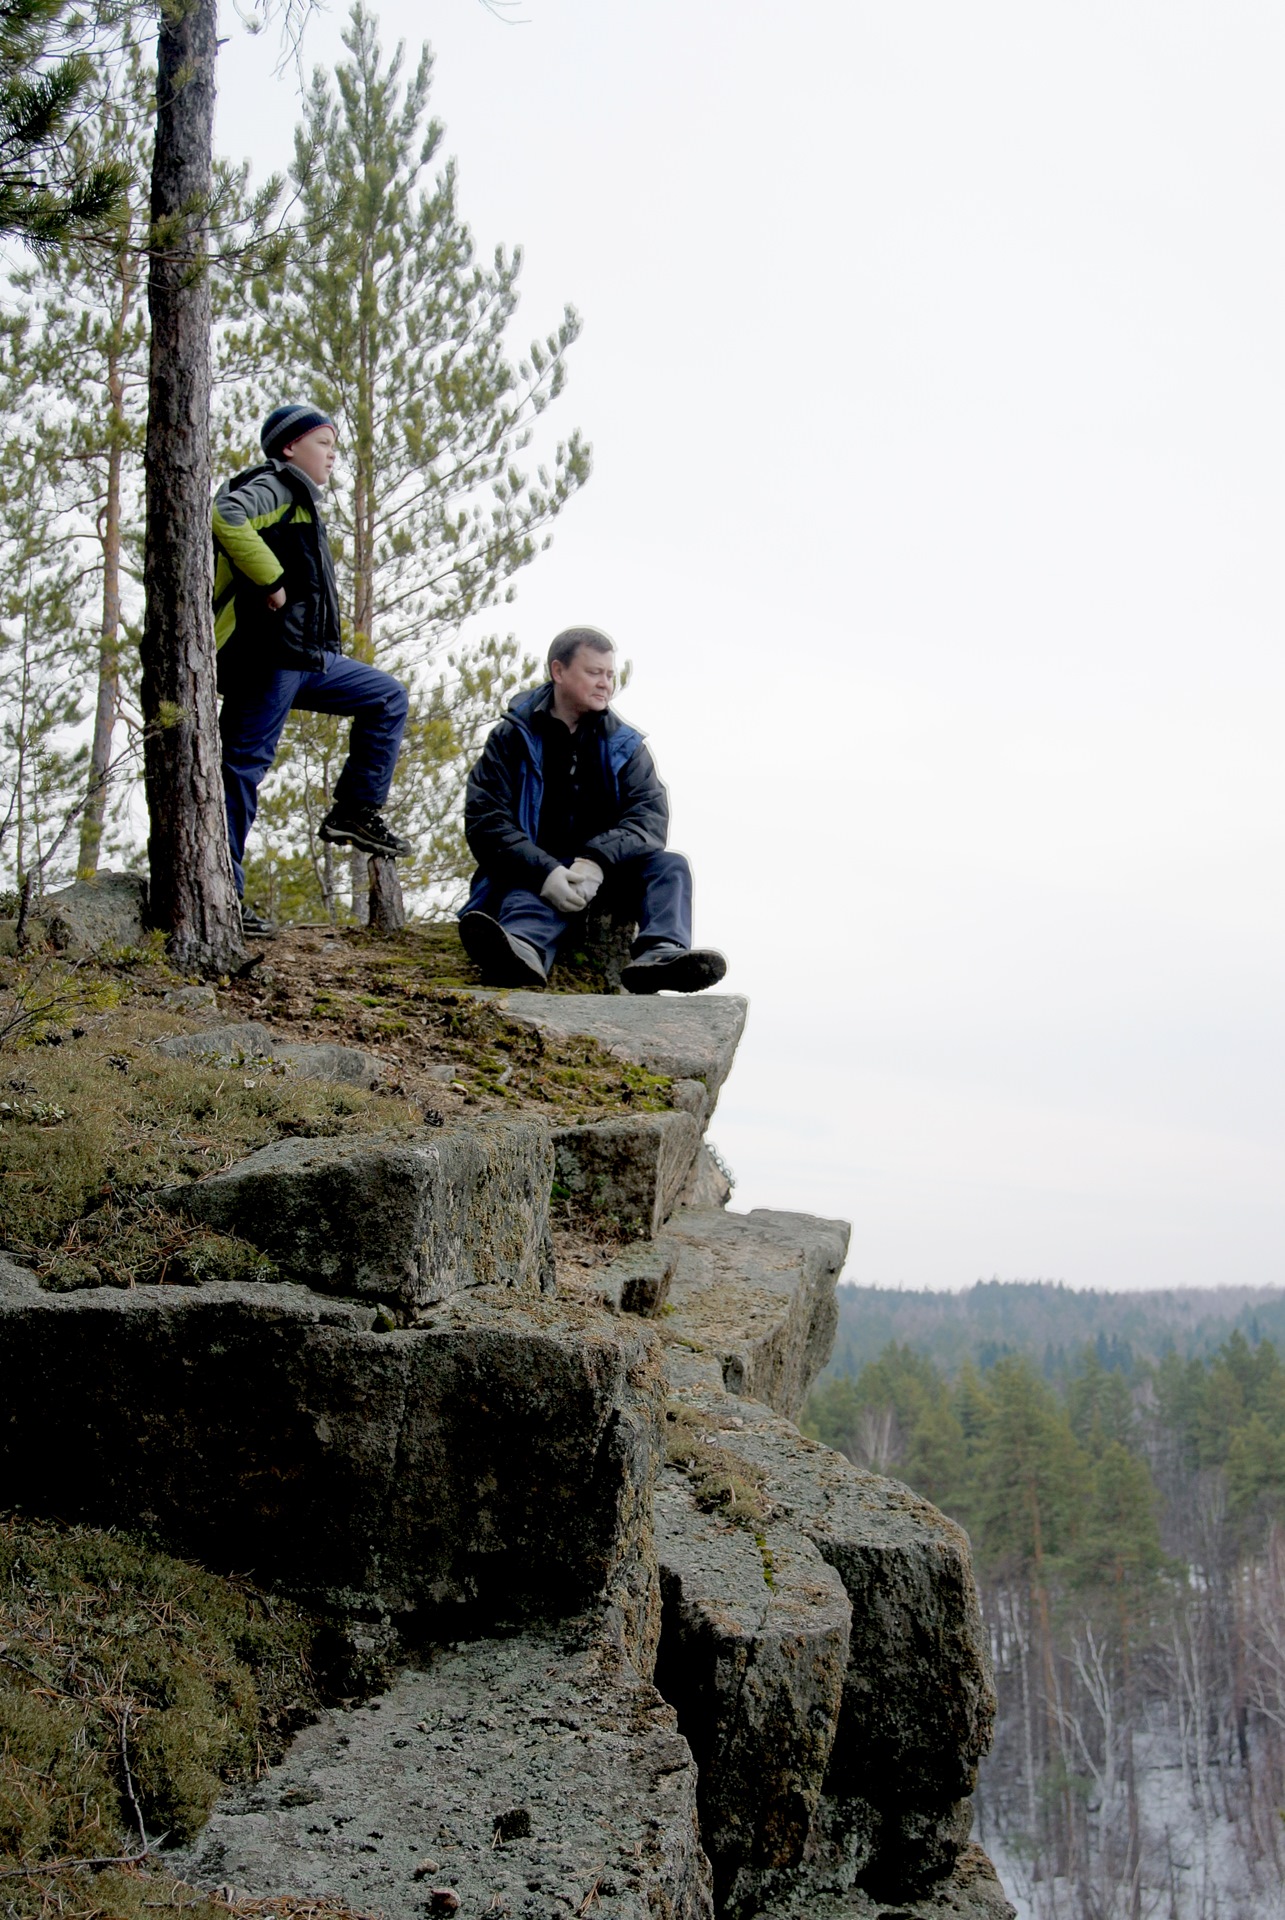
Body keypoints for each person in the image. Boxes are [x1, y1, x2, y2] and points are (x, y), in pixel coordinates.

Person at [212, 403, 412, 936]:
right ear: (288, 447)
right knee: (242, 767)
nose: (332, 455)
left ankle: (353, 810)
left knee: (386, 697)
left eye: (334, 446)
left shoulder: (301, 501)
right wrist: (270, 579)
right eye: (324, 443)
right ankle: (222, 894)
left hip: (306, 657)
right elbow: (224, 515)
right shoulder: (273, 486)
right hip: (266, 654)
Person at [459, 626, 726, 993]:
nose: (606, 684)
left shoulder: (625, 745)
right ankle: (519, 952)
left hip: (610, 872)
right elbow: (485, 821)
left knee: (670, 867)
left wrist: (596, 860)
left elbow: (649, 818)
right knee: (524, 900)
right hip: (535, 872)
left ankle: (661, 955)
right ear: (559, 671)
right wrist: (545, 871)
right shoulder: (511, 738)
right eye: (594, 672)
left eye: (610, 675)